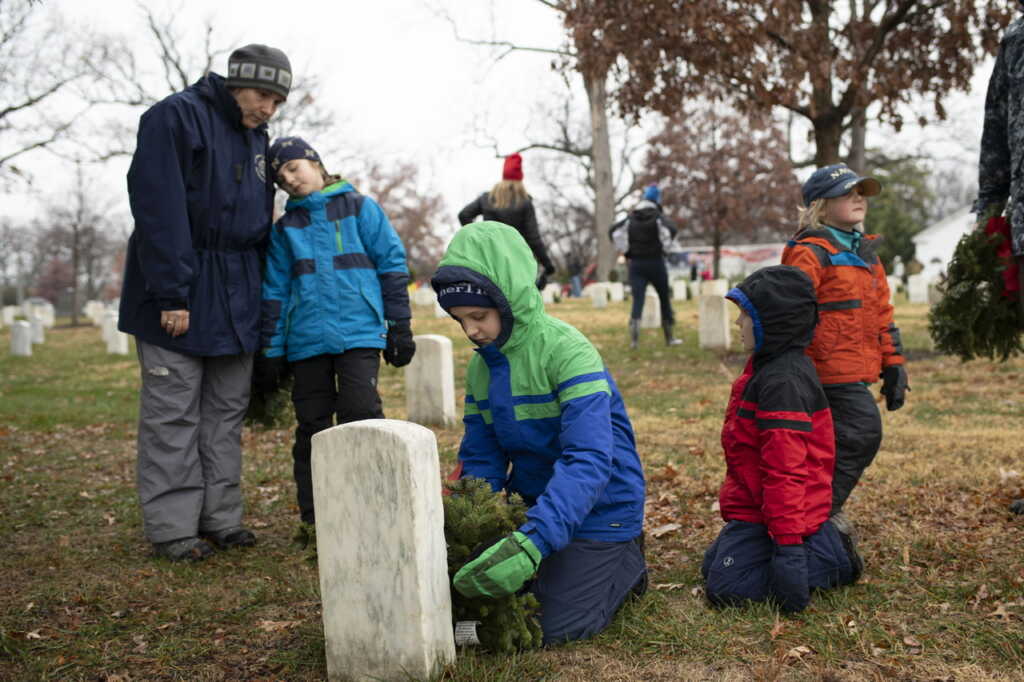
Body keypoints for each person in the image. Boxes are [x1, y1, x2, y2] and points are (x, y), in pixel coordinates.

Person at [431, 221, 647, 646]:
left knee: (547, 625)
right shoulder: (482, 364)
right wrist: (466, 526)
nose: (472, 331)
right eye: (461, 321)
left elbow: (588, 460)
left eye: (479, 316)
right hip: (532, 507)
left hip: (601, 509)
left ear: (507, 300)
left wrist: (533, 543)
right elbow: (482, 454)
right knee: (465, 589)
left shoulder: (569, 352)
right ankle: (473, 625)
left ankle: (626, 563)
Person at [119, 44, 291, 562]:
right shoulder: (174, 117)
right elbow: (159, 209)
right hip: (179, 288)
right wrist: (171, 291)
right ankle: (173, 527)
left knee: (224, 412)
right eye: (263, 94)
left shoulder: (256, 137)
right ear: (238, 81)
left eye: (278, 101)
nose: (269, 109)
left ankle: (221, 517)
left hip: (236, 292)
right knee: (174, 414)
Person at [256, 137, 415, 529]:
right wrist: (272, 349)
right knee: (312, 425)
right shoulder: (284, 229)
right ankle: (317, 517)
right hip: (306, 341)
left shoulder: (361, 208)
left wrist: (399, 325)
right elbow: (274, 290)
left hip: (359, 333)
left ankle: (376, 505)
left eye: (294, 168)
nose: (289, 180)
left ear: (315, 162)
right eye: (280, 178)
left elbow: (391, 265)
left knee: (360, 415)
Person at [702, 265, 861, 613]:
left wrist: (788, 551)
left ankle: (830, 555)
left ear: (771, 324)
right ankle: (814, 545)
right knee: (713, 564)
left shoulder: (783, 384)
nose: (737, 324)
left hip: (784, 515)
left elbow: (785, 471)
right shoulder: (765, 367)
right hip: (759, 509)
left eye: (744, 316)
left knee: (726, 587)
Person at [781, 163, 909, 525]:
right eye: (848, 192)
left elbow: (881, 312)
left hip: (855, 368)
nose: (859, 198)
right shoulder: (809, 251)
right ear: (821, 204)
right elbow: (791, 313)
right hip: (823, 370)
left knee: (835, 444)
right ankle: (817, 513)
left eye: (862, 192)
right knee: (862, 433)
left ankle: (809, 510)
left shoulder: (866, 252)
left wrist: (894, 363)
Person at [457, 153, 556, 290]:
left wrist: (479, 238)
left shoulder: (487, 198)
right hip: (517, 259)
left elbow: (464, 215)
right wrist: (547, 264)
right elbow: (533, 238)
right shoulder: (525, 202)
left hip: (490, 258)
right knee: (518, 301)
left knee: (495, 298)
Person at [608, 183, 683, 348]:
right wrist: (665, 249)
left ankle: (634, 341)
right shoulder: (658, 217)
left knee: (638, 300)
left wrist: (626, 251)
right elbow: (671, 231)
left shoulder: (631, 218)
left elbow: (614, 232)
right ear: (657, 200)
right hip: (656, 263)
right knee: (664, 299)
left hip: (636, 264)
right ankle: (669, 338)